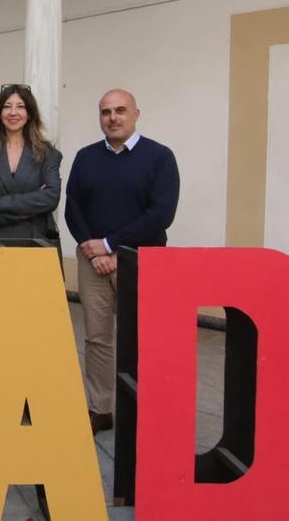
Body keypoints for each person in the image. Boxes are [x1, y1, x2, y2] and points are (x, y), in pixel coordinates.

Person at [65, 89, 179, 434]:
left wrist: (111, 246)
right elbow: (73, 206)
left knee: (143, 338)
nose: (112, 118)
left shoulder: (159, 157)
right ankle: (100, 409)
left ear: (135, 114)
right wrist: (91, 248)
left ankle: (147, 408)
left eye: (120, 111)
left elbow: (161, 213)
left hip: (139, 260)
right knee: (97, 338)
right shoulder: (86, 157)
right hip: (92, 262)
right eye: (105, 112)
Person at [0, 84, 63, 274]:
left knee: (34, 304)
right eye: (7, 106)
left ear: (30, 113)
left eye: (20, 106)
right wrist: (32, 206)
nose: (13, 112)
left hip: (35, 247)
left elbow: (50, 198)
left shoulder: (48, 155)